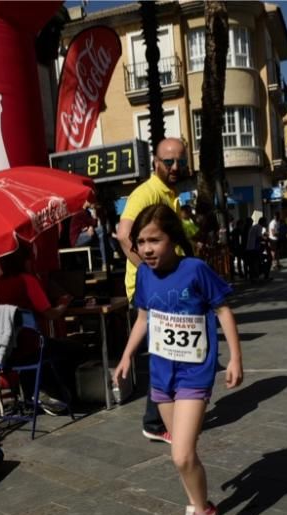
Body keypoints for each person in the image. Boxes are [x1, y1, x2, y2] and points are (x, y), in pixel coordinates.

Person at [112, 203, 242, 515]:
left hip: (194, 371)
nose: (147, 249)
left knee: (182, 454)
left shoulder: (195, 269)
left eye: (154, 240)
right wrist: (125, 356)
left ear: (173, 239)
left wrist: (235, 358)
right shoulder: (143, 276)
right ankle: (192, 504)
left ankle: (205, 514)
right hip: (161, 374)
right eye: (140, 242)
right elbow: (142, 318)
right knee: (178, 451)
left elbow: (223, 310)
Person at [116, 137, 189, 445]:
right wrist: (150, 271)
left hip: (168, 288)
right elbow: (123, 235)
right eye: (169, 162)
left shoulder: (170, 194)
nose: (175, 167)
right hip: (151, 290)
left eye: (180, 162)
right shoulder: (146, 193)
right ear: (155, 162)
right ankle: (155, 422)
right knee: (164, 356)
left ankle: (161, 418)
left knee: (168, 353)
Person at [0, 243, 80, 415]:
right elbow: (51, 314)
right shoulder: (28, 281)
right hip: (32, 348)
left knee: (47, 348)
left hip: (9, 351)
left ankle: (36, 392)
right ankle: (60, 395)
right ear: (23, 260)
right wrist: (64, 304)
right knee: (75, 348)